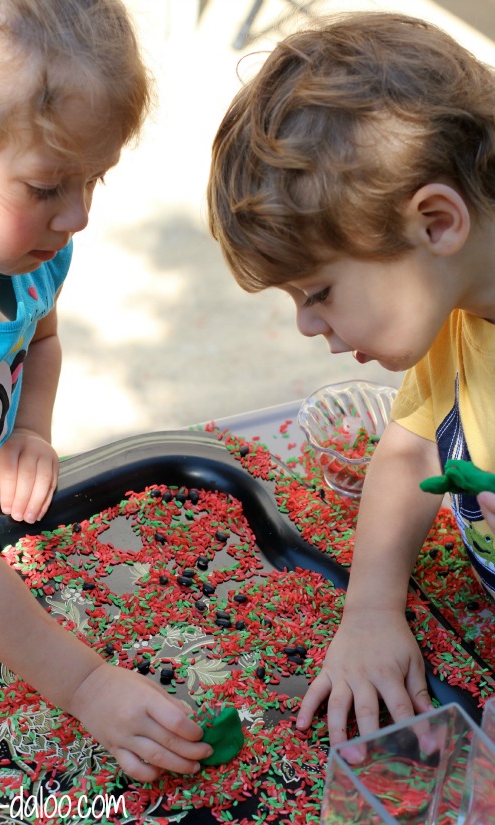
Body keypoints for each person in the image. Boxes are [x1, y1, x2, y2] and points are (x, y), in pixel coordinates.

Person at [207, 11, 495, 757]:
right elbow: (410, 449)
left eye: (319, 291)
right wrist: (370, 608)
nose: (308, 326)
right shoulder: (456, 308)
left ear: (435, 223)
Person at [0, 0, 212, 781]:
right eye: (47, 184)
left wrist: (30, 428)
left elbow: (44, 341)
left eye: (95, 178)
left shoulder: (32, 252)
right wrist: (88, 684)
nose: (80, 215)